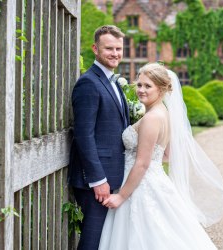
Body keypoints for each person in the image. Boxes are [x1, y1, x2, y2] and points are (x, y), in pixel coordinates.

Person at [98, 63, 223, 249]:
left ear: (162, 88)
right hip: (155, 179)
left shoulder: (151, 118)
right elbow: (167, 154)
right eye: (139, 85)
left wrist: (121, 196)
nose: (141, 90)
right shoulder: (164, 113)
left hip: (140, 186)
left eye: (147, 86)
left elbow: (142, 164)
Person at [68, 25, 130, 250]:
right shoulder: (88, 83)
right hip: (95, 181)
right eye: (109, 49)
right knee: (92, 240)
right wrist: (98, 180)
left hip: (113, 175)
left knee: (106, 239)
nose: (115, 53)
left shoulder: (112, 81)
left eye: (119, 48)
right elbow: (84, 135)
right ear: (95, 48)